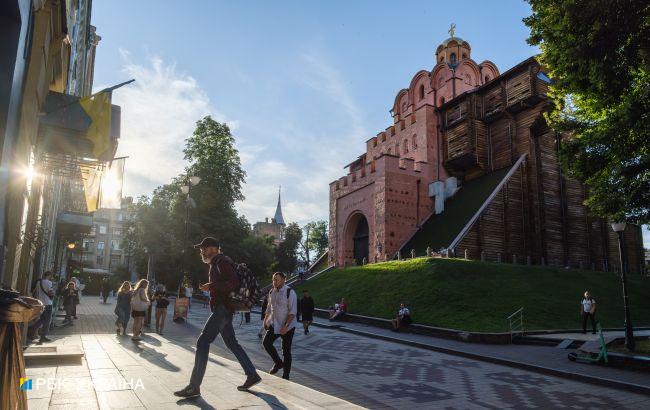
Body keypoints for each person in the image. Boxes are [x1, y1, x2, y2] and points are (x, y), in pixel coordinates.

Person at [174, 237, 261, 398]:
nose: (201, 251)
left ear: (213, 249)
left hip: (223, 309)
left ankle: (194, 386)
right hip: (224, 308)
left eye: (204, 248)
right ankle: (252, 374)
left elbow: (233, 283)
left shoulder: (221, 261)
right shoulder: (217, 263)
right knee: (232, 343)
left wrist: (211, 286)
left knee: (203, 342)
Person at [263, 272, 297, 380]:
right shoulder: (272, 291)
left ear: (283, 280)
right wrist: (265, 321)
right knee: (266, 343)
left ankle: (286, 376)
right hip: (275, 323)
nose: (274, 282)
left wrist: (285, 326)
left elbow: (293, 312)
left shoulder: (290, 292)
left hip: (288, 325)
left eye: (276, 279)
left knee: (286, 350)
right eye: (273, 280)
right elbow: (269, 308)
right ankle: (278, 363)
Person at [28, 271, 55, 344]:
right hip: (48, 303)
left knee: (42, 319)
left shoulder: (38, 282)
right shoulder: (49, 283)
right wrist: (53, 293)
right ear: (49, 275)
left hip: (41, 303)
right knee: (47, 320)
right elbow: (51, 292)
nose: (52, 277)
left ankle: (32, 329)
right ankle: (43, 336)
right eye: (51, 276)